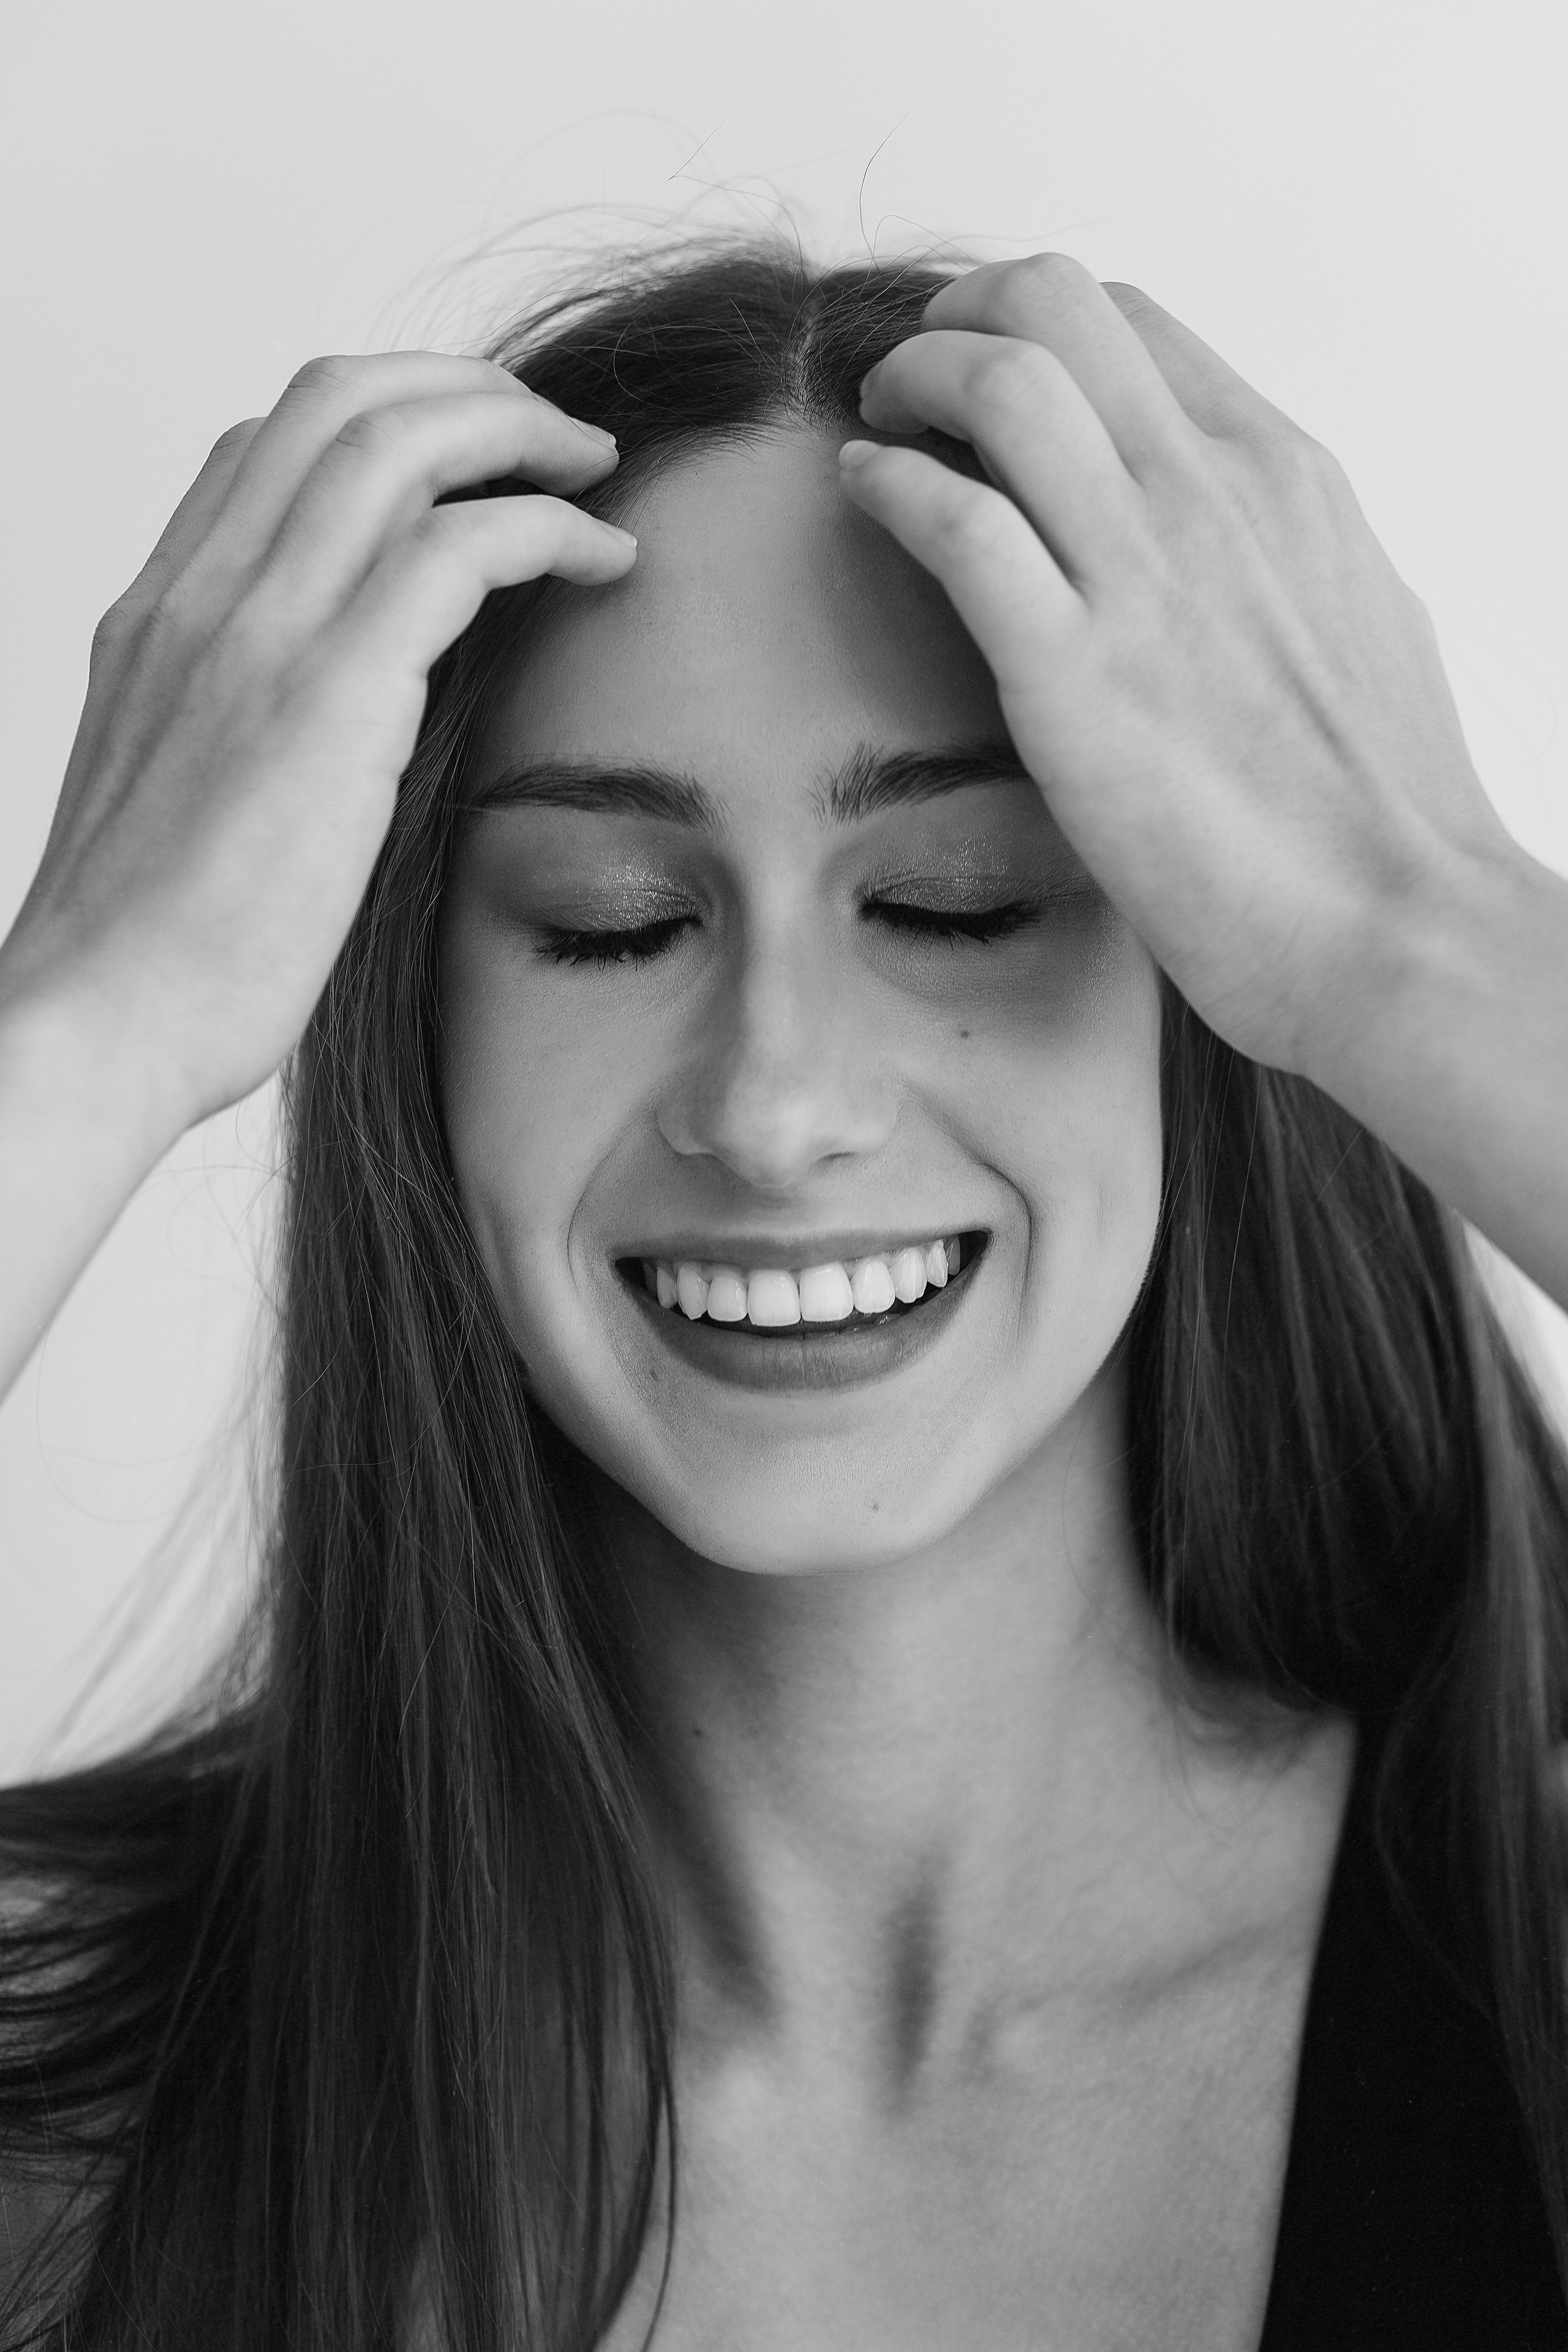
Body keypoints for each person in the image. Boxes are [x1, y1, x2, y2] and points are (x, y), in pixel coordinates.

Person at [1, 234, 1566, 2352]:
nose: (776, 1104)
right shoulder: (69, 2104)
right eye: (609, 923)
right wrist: (91, 1020)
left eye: (957, 903)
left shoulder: (1531, 1960)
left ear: (1214, 986)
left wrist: (1423, 930)